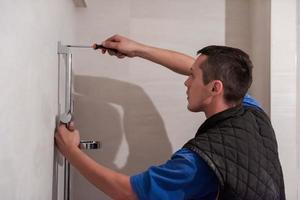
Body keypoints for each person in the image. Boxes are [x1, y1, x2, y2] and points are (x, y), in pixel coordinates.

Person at [55, 35, 285, 200]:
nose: (186, 81)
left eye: (192, 77)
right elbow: (201, 69)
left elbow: (127, 192)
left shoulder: (198, 163)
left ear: (215, 88)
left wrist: (71, 150)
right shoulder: (252, 113)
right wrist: (138, 49)